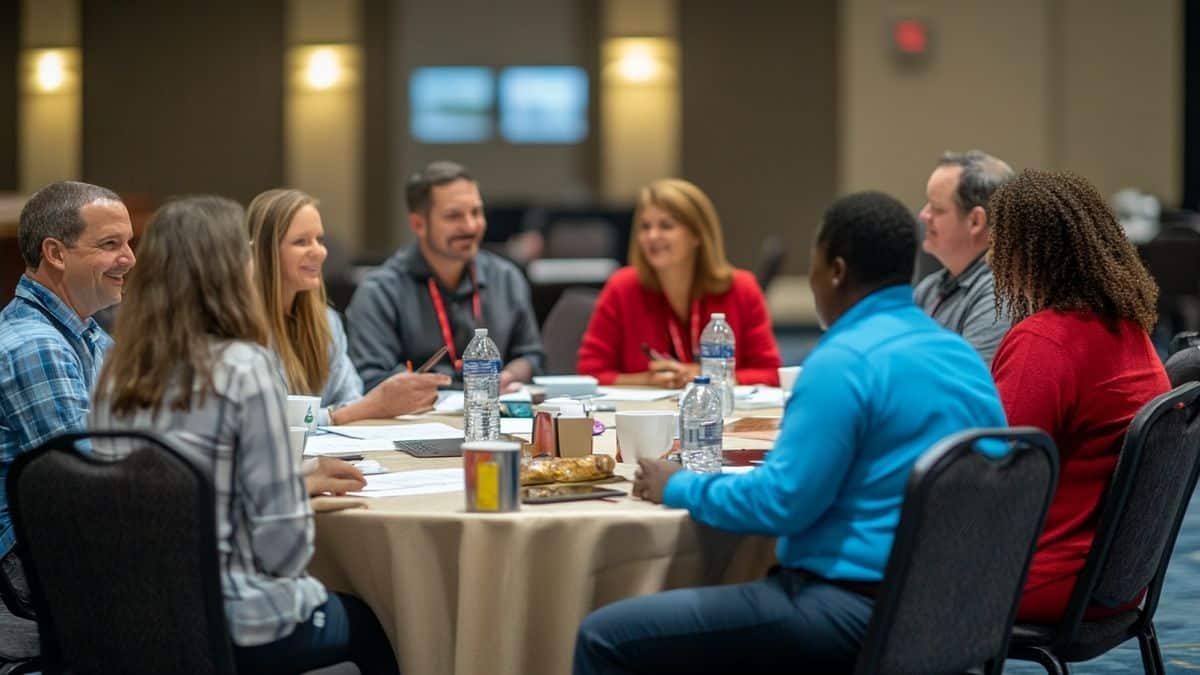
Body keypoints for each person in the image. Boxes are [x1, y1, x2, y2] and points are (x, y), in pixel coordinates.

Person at [572, 191, 1006, 674]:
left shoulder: (843, 363)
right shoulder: (961, 356)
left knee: (605, 636)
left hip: (857, 610)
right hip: (962, 613)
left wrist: (677, 484)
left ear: (836, 270)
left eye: (815, 265)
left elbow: (779, 503)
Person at [89, 196, 399, 674]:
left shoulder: (115, 371)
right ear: (230, 272)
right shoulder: (241, 368)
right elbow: (286, 548)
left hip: (140, 618)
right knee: (383, 625)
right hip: (236, 621)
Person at [987, 170, 1169, 622]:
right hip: (1116, 580)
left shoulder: (1044, 342)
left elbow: (992, 472)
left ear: (1025, 255)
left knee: (859, 563)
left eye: (999, 242)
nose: (990, 256)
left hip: (1042, 577)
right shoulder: (1129, 330)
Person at [0, 181, 134, 606]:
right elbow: (87, 488)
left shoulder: (87, 334)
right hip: (28, 572)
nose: (129, 258)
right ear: (55, 253)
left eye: (128, 243)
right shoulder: (36, 344)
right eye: (111, 244)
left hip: (69, 547)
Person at [246, 188, 449, 425]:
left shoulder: (327, 321)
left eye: (319, 240)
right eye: (301, 242)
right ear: (263, 252)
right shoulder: (244, 329)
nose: (319, 252)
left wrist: (355, 411)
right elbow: (269, 422)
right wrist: (347, 413)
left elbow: (350, 399)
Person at [346, 161, 544, 390]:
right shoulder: (379, 291)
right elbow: (371, 377)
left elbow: (532, 356)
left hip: (490, 415)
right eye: (454, 216)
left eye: (476, 212)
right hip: (418, 421)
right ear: (418, 224)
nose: (470, 226)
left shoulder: (506, 278)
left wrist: (510, 375)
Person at [576, 179, 782, 388]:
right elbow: (589, 373)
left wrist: (709, 376)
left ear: (697, 235)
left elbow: (771, 373)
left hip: (723, 415)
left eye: (666, 225)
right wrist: (646, 380)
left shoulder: (741, 288)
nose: (652, 236)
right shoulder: (622, 287)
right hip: (646, 415)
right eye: (645, 227)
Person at [913, 150, 1014, 364]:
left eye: (937, 209)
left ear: (975, 221)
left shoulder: (1000, 295)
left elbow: (963, 389)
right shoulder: (929, 289)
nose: (923, 215)